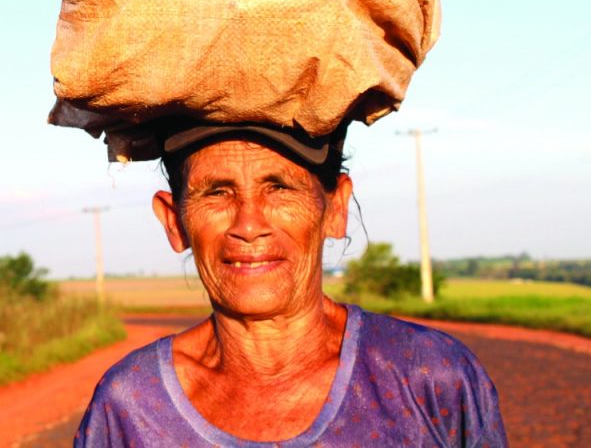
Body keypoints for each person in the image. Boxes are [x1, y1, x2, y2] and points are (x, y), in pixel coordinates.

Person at [73, 123, 508, 446]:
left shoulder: (428, 378)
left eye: (279, 188)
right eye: (217, 193)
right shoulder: (134, 406)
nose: (248, 225)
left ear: (334, 209)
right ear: (175, 222)